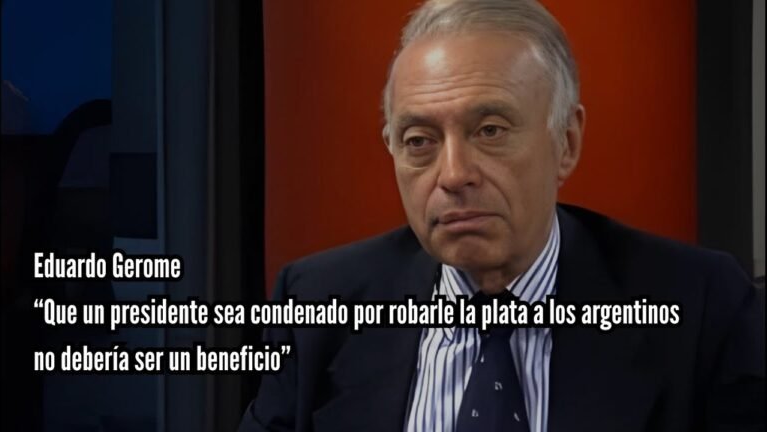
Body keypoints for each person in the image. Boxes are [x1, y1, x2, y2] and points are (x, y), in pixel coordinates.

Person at [239, 0, 765, 430]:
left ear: (566, 142)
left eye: (490, 131)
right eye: (419, 141)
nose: (453, 174)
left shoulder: (702, 308)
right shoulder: (316, 306)